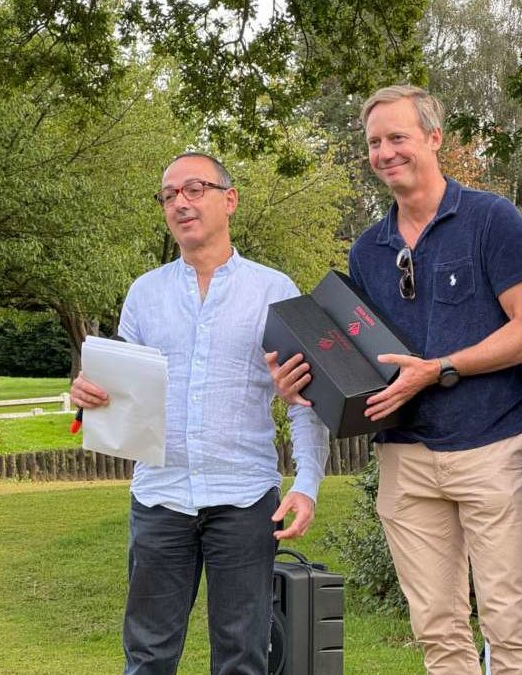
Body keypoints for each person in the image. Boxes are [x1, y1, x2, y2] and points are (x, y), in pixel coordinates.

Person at [269, 85, 522, 674]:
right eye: (374, 142)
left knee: (509, 627)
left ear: (434, 138)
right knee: (438, 632)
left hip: (490, 447)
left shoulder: (490, 219)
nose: (385, 152)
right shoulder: (368, 249)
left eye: (397, 137)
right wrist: (303, 381)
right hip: (404, 459)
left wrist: (441, 368)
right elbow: (357, 365)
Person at [70, 152, 329, 675]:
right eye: (169, 195)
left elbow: (306, 399)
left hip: (245, 498)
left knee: (242, 657)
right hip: (160, 495)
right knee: (147, 656)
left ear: (229, 200)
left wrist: (307, 483)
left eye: (194, 189)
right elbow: (119, 390)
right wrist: (89, 396)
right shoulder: (145, 294)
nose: (180, 203)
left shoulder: (274, 290)